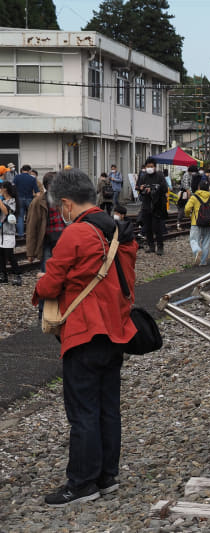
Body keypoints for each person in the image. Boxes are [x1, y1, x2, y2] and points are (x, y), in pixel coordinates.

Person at [32, 168, 138, 506]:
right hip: (117, 330)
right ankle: (107, 476)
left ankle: (82, 484)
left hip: (84, 332)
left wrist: (40, 283)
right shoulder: (119, 231)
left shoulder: (75, 234)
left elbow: (50, 284)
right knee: (108, 408)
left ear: (65, 203)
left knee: (83, 412)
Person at [26, 171, 63, 274]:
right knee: (47, 273)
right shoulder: (38, 201)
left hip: (64, 241)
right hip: (47, 241)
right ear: (49, 185)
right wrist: (30, 252)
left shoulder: (66, 200)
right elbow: (31, 227)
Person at [135, 158, 168, 255]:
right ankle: (151, 246)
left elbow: (164, 188)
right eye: (148, 166)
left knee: (157, 227)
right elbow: (138, 187)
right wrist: (141, 189)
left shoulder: (160, 175)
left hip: (157, 205)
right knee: (147, 227)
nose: (149, 168)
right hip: (146, 204)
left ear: (155, 167)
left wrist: (154, 189)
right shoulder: (143, 176)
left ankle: (160, 247)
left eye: (151, 166)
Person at [184, 179, 210, 266]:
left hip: (196, 223)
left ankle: (197, 250)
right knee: (206, 242)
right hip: (208, 223)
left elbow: (187, 208)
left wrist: (189, 216)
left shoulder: (194, 197)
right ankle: (203, 262)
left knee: (194, 240)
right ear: (208, 188)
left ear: (199, 187)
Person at [0, 181, 22, 285]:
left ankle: (18, 275)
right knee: (1, 255)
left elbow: (6, 212)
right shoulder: (3, 200)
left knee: (9, 255)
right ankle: (3, 275)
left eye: (1, 188)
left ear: (5, 189)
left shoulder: (13, 201)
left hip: (8, 232)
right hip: (1, 232)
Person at [13, 164, 39, 237]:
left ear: (22, 169)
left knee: (20, 217)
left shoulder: (17, 177)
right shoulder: (32, 178)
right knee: (30, 217)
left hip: (19, 199)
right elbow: (37, 191)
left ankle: (21, 234)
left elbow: (13, 187)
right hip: (29, 199)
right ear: (29, 170)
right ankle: (31, 234)